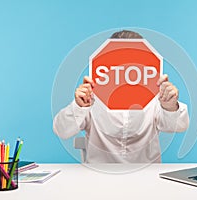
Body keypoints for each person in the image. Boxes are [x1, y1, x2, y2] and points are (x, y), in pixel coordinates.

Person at [53, 30, 189, 163]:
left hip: (147, 176)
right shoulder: (92, 98)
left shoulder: (155, 97)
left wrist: (170, 107)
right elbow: (62, 131)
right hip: (99, 178)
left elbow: (180, 126)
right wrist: (79, 106)